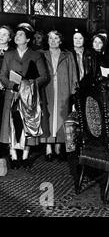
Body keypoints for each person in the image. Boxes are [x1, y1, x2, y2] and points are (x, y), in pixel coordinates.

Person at [0, 23, 49, 169]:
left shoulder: (36, 55)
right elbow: (2, 75)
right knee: (12, 124)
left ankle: (26, 156)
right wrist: (13, 86)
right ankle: (14, 155)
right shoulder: (9, 54)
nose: (17, 37)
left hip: (29, 96)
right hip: (12, 94)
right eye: (16, 35)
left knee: (28, 124)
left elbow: (44, 76)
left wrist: (29, 85)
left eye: (21, 35)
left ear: (28, 39)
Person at [41, 31, 78, 162]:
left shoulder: (67, 55)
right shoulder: (42, 55)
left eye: (56, 38)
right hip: (48, 89)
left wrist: (74, 92)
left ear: (60, 41)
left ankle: (58, 146)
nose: (53, 40)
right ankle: (48, 147)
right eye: (50, 38)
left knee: (62, 118)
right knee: (48, 117)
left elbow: (73, 75)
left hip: (63, 89)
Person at [0, 26, 13, 160]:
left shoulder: (13, 53)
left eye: (4, 35)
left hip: (7, 90)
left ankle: (5, 149)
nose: (1, 37)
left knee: (5, 120)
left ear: (9, 38)